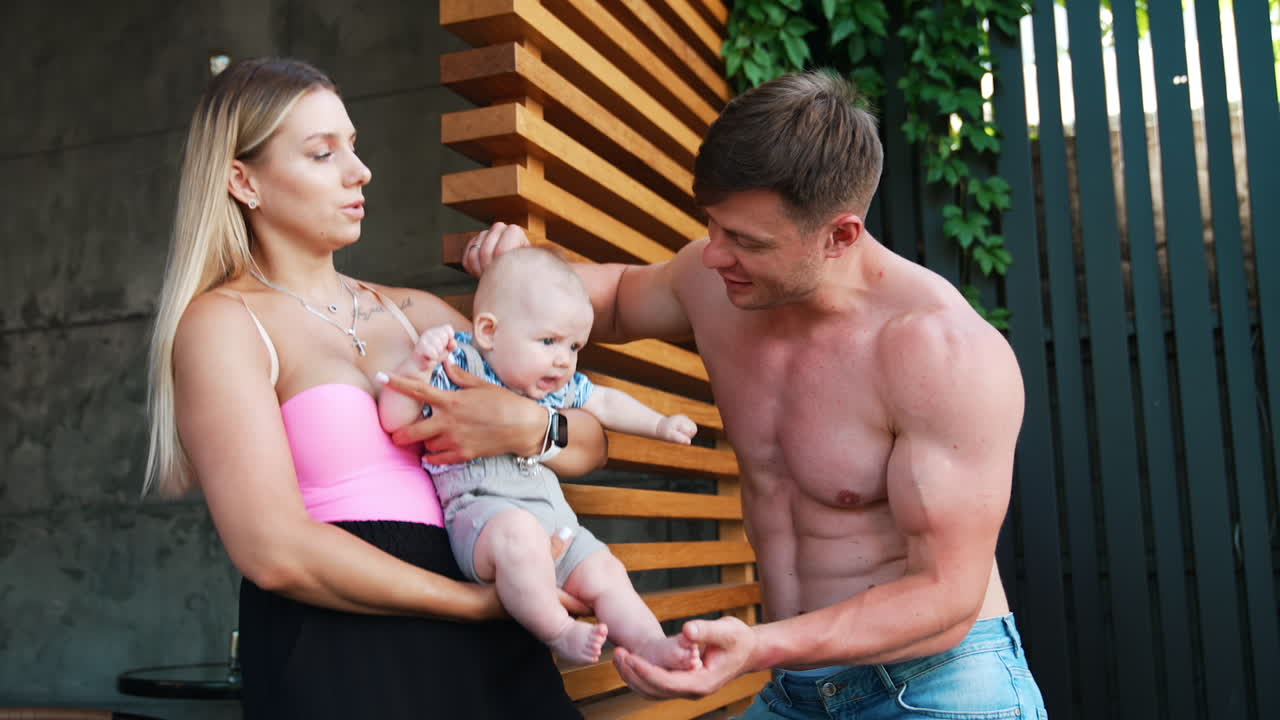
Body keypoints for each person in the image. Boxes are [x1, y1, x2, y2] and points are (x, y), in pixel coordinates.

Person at [464, 70, 1047, 718]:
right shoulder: (716, 283)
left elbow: (946, 596)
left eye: (746, 241)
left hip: (940, 685)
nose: (713, 256)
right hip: (796, 685)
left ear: (840, 236)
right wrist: (519, 268)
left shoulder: (940, 353)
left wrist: (759, 646)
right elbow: (615, 301)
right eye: (713, 226)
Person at [143, 56, 604, 719]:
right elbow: (274, 553)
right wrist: (477, 603)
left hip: (498, 644)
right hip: (343, 648)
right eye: (322, 153)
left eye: (352, 147)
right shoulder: (224, 324)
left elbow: (590, 443)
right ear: (243, 180)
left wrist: (529, 424)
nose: (360, 172)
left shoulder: (413, 312)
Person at [376, 246, 700, 668]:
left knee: (607, 572)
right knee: (520, 535)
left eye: (574, 346)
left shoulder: (551, 387)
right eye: (548, 341)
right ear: (489, 331)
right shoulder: (457, 367)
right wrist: (417, 366)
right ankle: (559, 631)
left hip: (557, 522)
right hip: (484, 520)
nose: (563, 360)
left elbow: (604, 401)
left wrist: (659, 424)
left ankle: (652, 645)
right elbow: (395, 420)